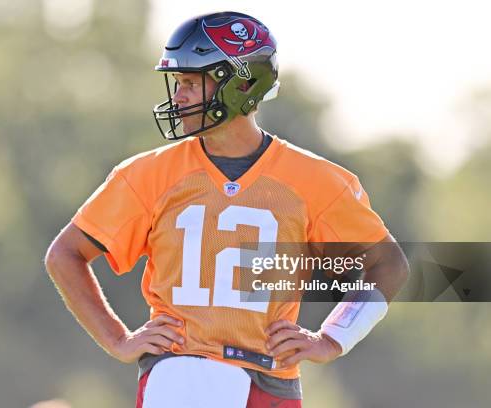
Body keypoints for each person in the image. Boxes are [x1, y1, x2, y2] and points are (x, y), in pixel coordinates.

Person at [45, 11, 409, 408]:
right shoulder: (148, 174)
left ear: (240, 85)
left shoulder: (317, 181)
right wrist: (117, 338)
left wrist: (333, 338)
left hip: (270, 381)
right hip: (180, 375)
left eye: (189, 82)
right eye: (177, 83)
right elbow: (65, 254)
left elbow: (389, 265)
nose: (177, 96)